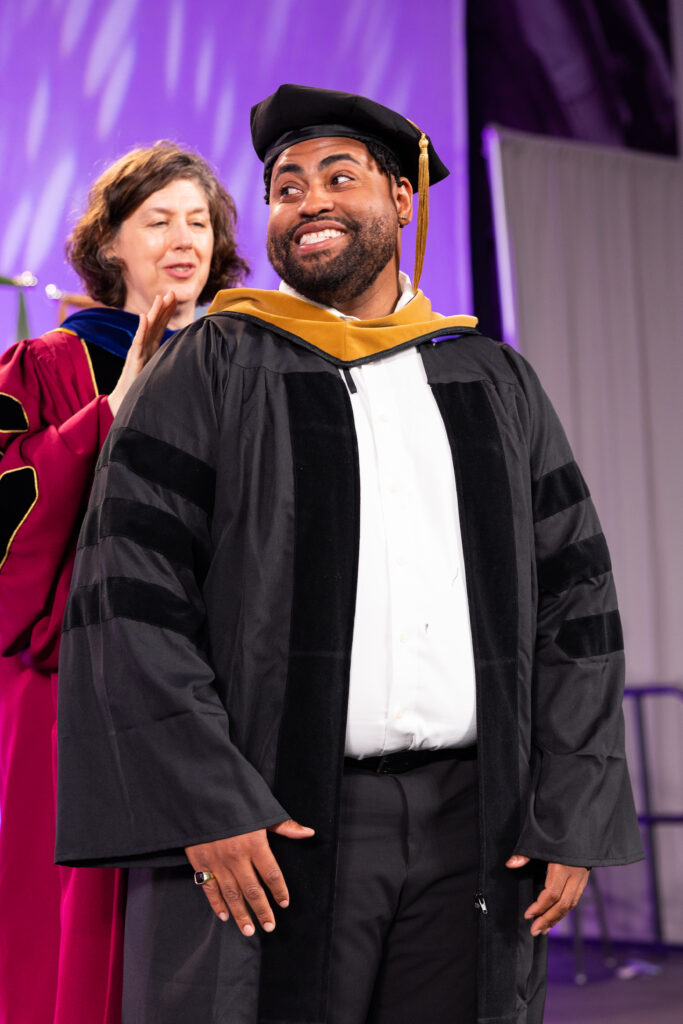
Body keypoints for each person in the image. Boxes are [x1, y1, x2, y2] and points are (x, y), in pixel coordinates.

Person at [56, 86, 643, 1024]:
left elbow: (576, 601)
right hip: (277, 819)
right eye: (286, 187)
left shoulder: (490, 380)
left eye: (340, 177)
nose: (309, 201)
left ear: (402, 201)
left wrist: (570, 801)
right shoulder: (212, 365)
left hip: (476, 822)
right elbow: (131, 596)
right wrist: (206, 799)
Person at [0, 141, 248, 1024]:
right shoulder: (48, 367)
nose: (184, 238)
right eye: (158, 220)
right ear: (110, 245)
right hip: (74, 686)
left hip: (214, 687)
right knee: (78, 936)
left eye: (200, 221)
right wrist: (111, 409)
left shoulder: (244, 371)